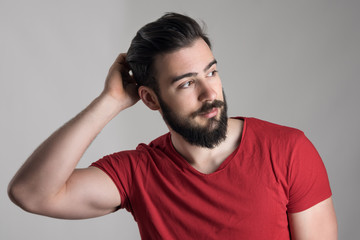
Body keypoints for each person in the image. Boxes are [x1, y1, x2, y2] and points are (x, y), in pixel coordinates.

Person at [8, 12, 337, 239]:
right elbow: (31, 194)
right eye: (186, 84)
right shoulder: (139, 172)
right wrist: (109, 101)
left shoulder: (288, 150)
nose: (210, 93)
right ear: (150, 99)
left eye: (211, 72)